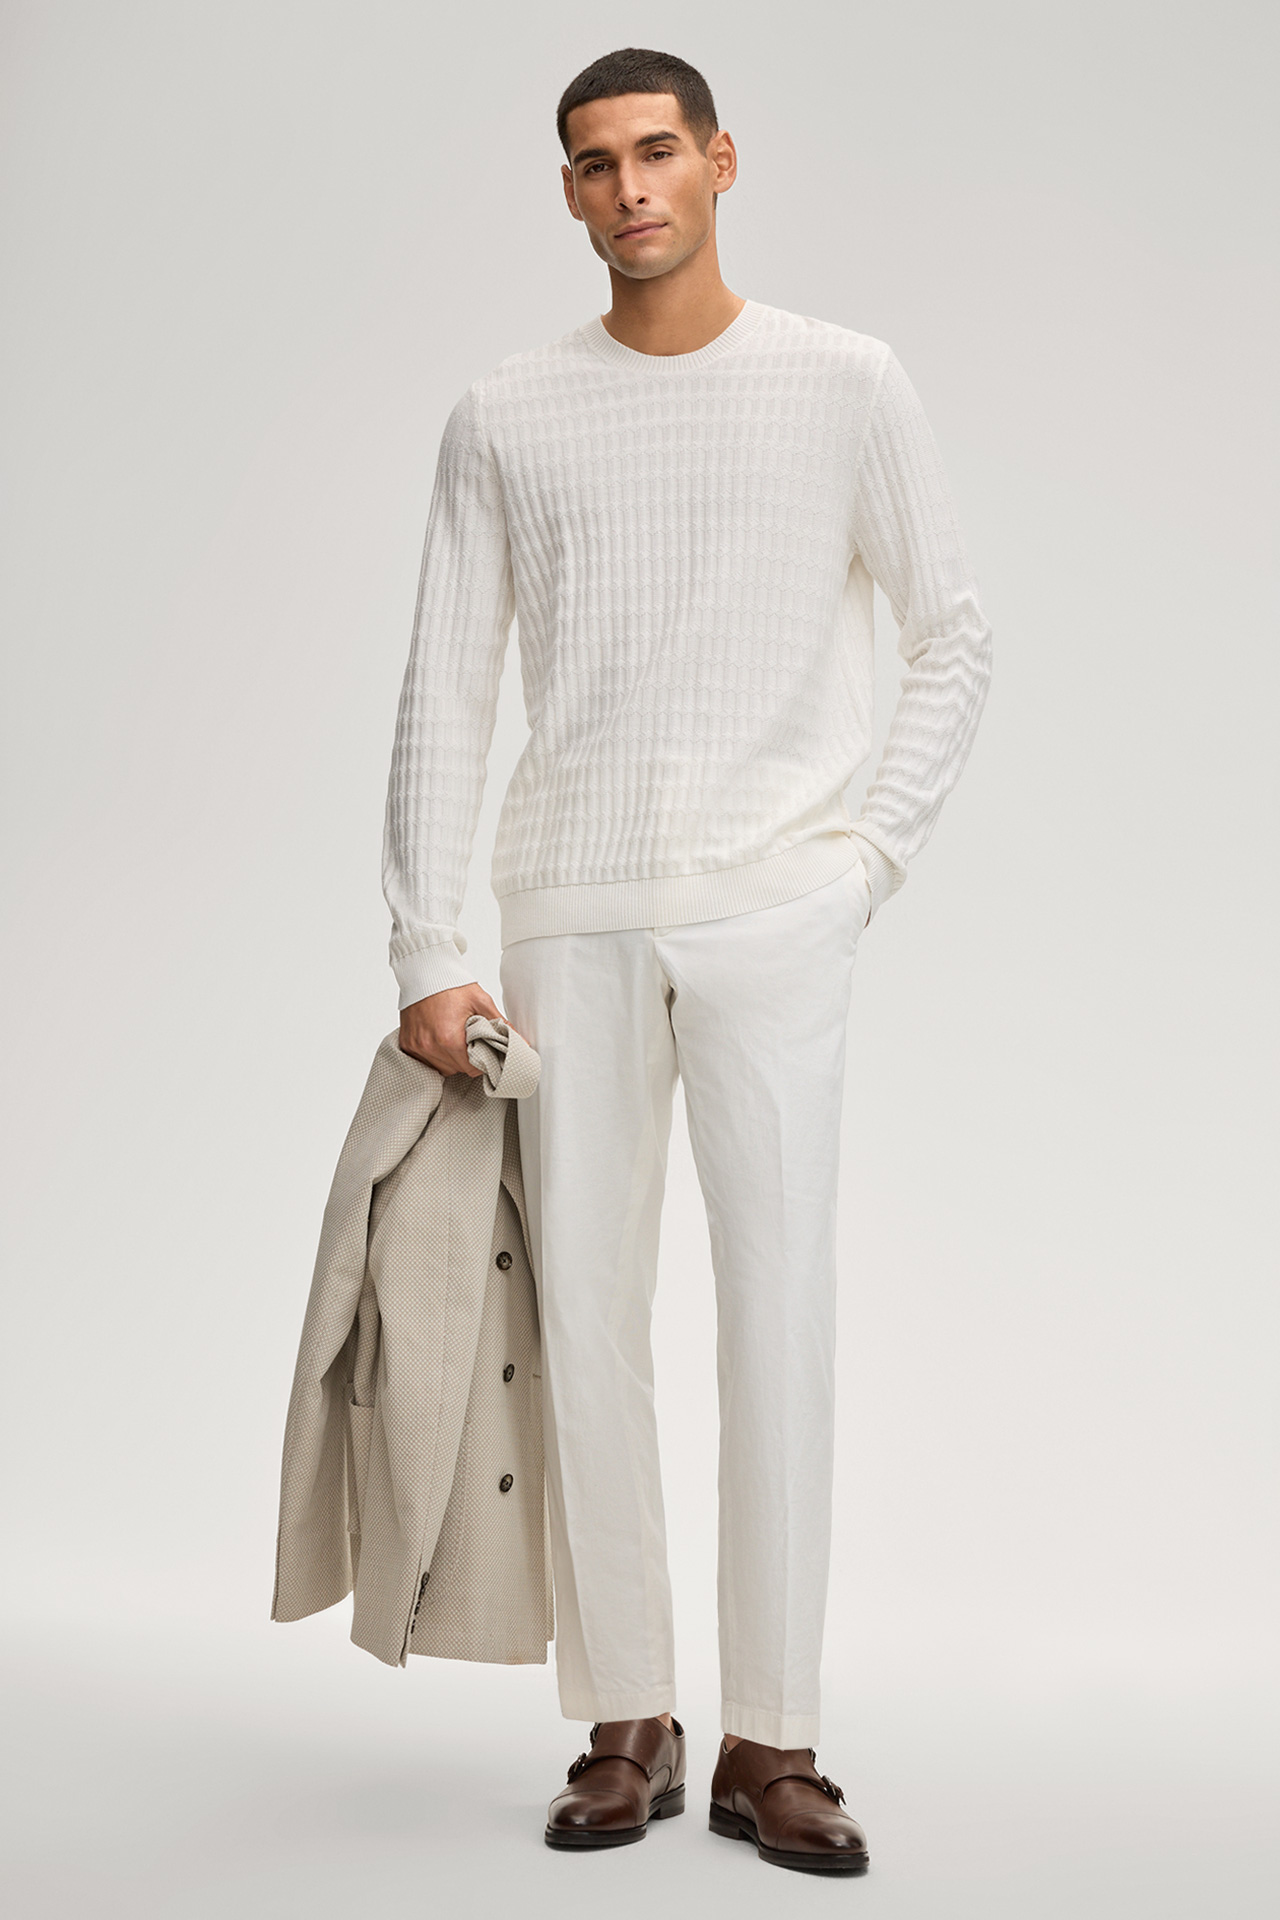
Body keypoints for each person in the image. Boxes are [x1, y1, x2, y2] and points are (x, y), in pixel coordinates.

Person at [382, 45, 992, 1873]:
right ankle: (628, 1717)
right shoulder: (506, 413)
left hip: (777, 912)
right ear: (567, 190)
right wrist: (426, 939)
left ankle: (773, 1737)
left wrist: (863, 864)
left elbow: (954, 633)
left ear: (722, 161)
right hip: (569, 912)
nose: (630, 187)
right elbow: (446, 684)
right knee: (586, 1320)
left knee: (778, 1316)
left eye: (658, 151)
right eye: (595, 162)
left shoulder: (844, 381)